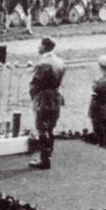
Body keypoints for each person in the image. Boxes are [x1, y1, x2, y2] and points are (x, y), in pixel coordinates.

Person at [28, 37, 65, 170]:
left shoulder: (42, 64)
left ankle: (44, 160)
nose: (38, 47)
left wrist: (34, 98)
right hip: (56, 97)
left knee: (41, 128)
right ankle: (48, 156)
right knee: (50, 128)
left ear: (44, 46)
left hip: (43, 98)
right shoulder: (60, 62)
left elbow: (34, 85)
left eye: (40, 45)